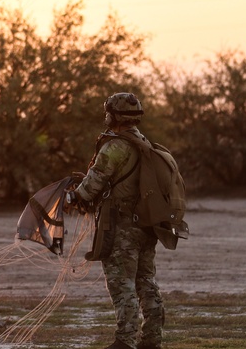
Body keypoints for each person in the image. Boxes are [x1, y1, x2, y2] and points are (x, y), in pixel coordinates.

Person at [72, 92, 165, 349]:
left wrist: (74, 196)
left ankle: (125, 341)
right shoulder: (143, 142)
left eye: (107, 111)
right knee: (146, 281)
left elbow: (92, 184)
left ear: (114, 115)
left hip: (122, 227)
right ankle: (152, 339)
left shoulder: (115, 145)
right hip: (146, 226)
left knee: (121, 283)